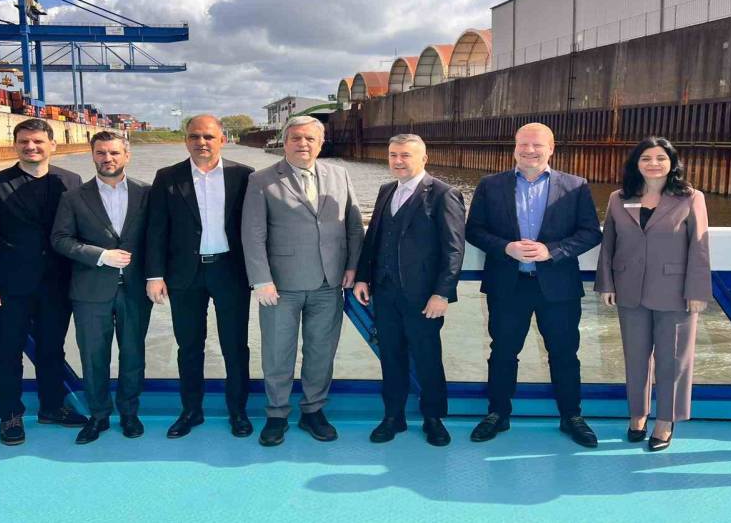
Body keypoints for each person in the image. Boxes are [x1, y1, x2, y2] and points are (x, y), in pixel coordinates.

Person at [465, 122, 602, 447]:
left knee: (564, 353)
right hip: (508, 285)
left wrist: (552, 251)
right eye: (524, 144)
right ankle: (498, 414)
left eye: (537, 145)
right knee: (502, 352)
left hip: (558, 287)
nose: (530, 150)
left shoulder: (576, 186)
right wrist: (505, 247)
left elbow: (590, 233)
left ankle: (571, 416)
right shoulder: (490, 185)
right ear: (514, 148)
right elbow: (473, 230)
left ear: (551, 149)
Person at [242, 115, 364, 447]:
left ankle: (313, 411)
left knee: (321, 351)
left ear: (321, 143)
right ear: (285, 142)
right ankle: (277, 414)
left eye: (310, 138)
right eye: (296, 138)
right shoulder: (261, 180)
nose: (303, 144)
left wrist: (353, 266)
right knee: (277, 352)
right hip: (280, 286)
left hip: (329, 282)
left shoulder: (339, 174)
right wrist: (261, 280)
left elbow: (354, 225)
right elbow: (252, 234)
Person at [0, 118, 86, 446]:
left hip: (58, 284)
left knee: (52, 349)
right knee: (7, 352)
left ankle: (52, 407)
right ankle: (10, 414)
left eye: (38, 141)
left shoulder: (71, 181)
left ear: (52, 145)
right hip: (8, 287)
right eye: (24, 142)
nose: (31, 147)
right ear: (16, 145)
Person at [594, 137, 710, 451]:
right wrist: (607, 284)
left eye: (661, 158)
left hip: (676, 292)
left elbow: (699, 247)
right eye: (646, 158)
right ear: (636, 163)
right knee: (635, 358)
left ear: (672, 163)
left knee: (673, 360)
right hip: (629, 291)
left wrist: (697, 291)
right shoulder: (620, 198)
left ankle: (665, 421)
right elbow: (609, 244)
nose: (653, 164)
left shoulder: (690, 198)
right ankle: (638, 415)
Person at [145, 115, 254, 439]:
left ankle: (238, 411)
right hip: (184, 275)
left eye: (208, 136)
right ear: (186, 140)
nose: (201, 142)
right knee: (189, 346)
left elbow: (257, 227)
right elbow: (156, 230)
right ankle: (191, 411)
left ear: (222, 139)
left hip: (230, 271)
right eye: (194, 136)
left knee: (235, 346)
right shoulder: (167, 177)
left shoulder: (244, 176)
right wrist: (154, 275)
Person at [353, 134, 466, 447]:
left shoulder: (444, 194)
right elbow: (374, 237)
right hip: (385, 292)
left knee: (427, 357)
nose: (398, 161)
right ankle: (393, 416)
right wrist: (363, 277)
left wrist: (442, 293)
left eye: (405, 155)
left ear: (423, 158)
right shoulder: (386, 190)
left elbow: (454, 250)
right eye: (393, 155)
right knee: (391, 356)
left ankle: (434, 418)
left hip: (424, 297)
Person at [51, 131, 152, 444]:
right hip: (89, 290)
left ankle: (129, 413)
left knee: (133, 354)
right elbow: (60, 239)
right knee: (94, 357)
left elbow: (158, 239)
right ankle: (98, 416)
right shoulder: (73, 197)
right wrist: (100, 255)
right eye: (101, 153)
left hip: (135, 290)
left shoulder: (147, 193)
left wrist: (156, 277)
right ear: (92, 155)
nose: (107, 159)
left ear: (126, 156)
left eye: (114, 153)